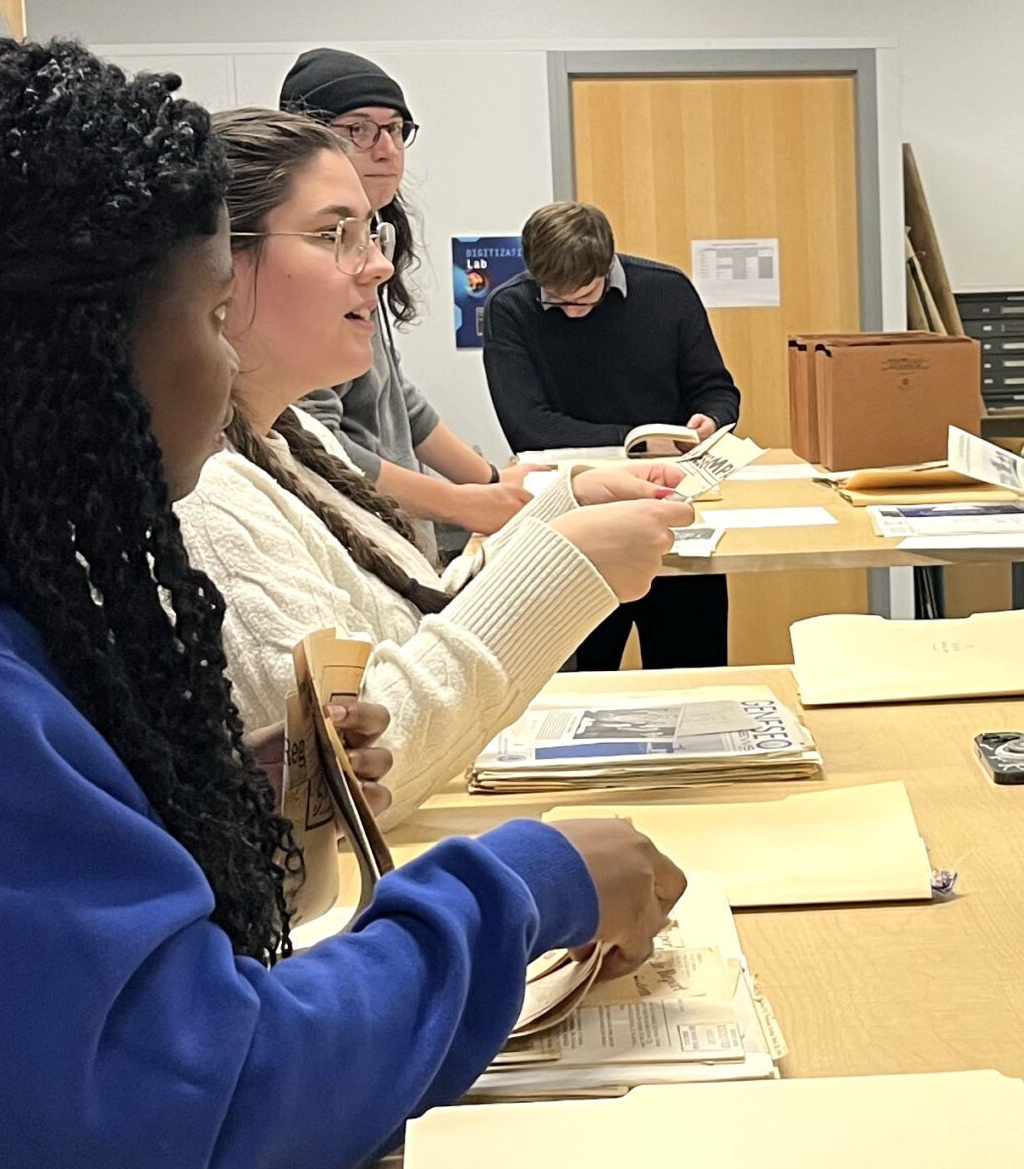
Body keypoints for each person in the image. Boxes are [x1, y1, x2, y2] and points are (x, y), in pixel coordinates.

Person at [0, 40, 684, 1169]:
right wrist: (521, 890)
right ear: (76, 352)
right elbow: (196, 1113)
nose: (226, 360)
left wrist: (206, 811)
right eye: (211, 316)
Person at [178, 111, 698, 821]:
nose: (378, 264)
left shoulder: (288, 436)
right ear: (216, 266)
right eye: (335, 235)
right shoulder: (202, 497)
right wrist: (563, 569)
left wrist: (565, 509)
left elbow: (415, 615)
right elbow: (351, 773)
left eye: (372, 234)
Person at [279, 47, 530, 551]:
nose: (387, 149)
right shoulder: (299, 270)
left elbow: (399, 402)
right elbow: (311, 440)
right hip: (348, 536)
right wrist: (458, 503)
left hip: (393, 537)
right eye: (360, 129)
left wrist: (490, 483)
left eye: (396, 129)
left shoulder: (370, 244)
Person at [483, 201, 741, 671]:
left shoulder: (667, 290)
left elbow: (717, 389)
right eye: (556, 301)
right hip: (575, 526)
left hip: (671, 512)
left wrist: (709, 417)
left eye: (585, 298)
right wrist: (635, 442)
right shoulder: (512, 308)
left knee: (692, 678)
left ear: (608, 267)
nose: (572, 313)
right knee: (580, 686)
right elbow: (529, 426)